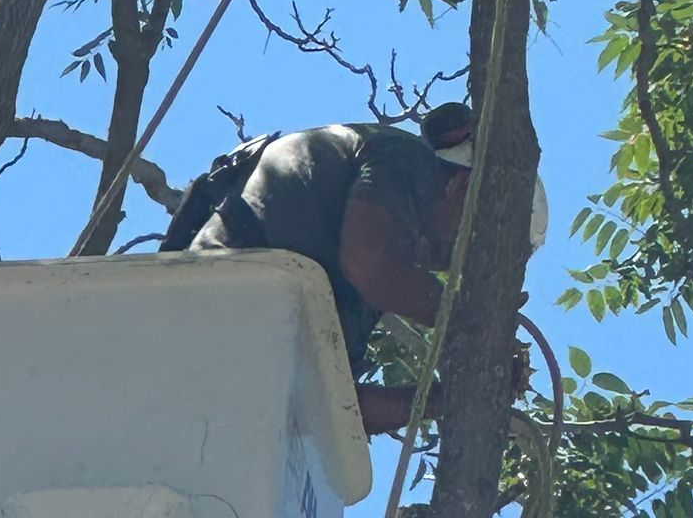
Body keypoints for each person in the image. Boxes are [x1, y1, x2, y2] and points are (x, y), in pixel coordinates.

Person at [187, 104, 530, 434]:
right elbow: (369, 262)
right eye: (464, 245)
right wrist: (472, 323)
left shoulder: (363, 285)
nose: (448, 263)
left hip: (216, 369)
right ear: (462, 187)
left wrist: (449, 398)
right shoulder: (406, 158)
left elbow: (333, 409)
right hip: (218, 303)